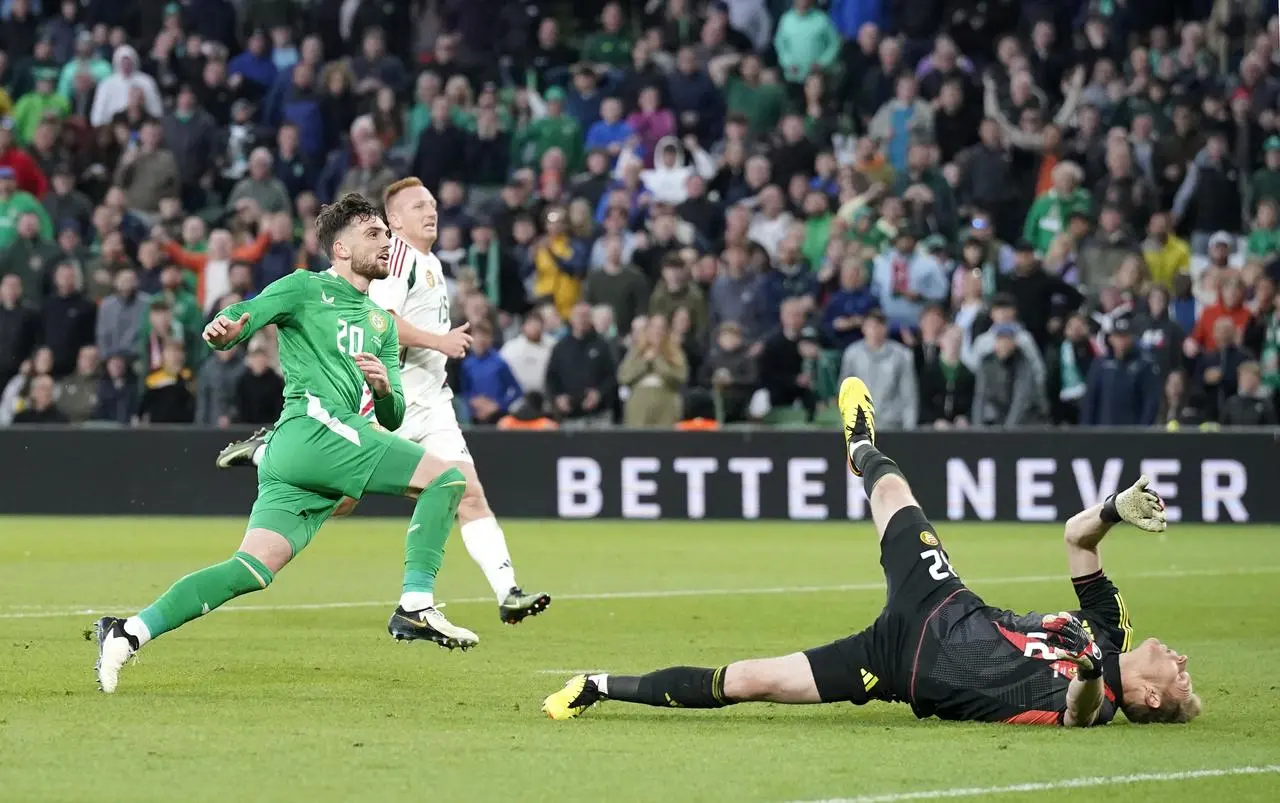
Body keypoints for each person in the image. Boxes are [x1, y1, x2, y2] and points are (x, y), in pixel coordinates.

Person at [544, 378, 1200, 728]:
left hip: (902, 666)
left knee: (751, 680)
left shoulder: (1106, 701)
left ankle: (598, 685)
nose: (1182, 661)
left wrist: (1089, 672)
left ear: (1145, 697)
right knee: (890, 487)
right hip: (945, 602)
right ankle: (859, 443)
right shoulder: (1110, 626)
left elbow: (1076, 714)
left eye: (1181, 681)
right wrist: (1113, 509)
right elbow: (1074, 538)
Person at [93, 194, 475, 694]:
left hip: (305, 456)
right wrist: (223, 329)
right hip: (316, 428)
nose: (387, 242)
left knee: (250, 569)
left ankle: (127, 633)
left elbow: (394, 414)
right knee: (447, 478)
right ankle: (415, 605)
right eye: (374, 234)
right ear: (340, 248)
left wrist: (383, 387)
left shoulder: (381, 322)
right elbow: (247, 314)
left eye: (388, 234)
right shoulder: (305, 288)